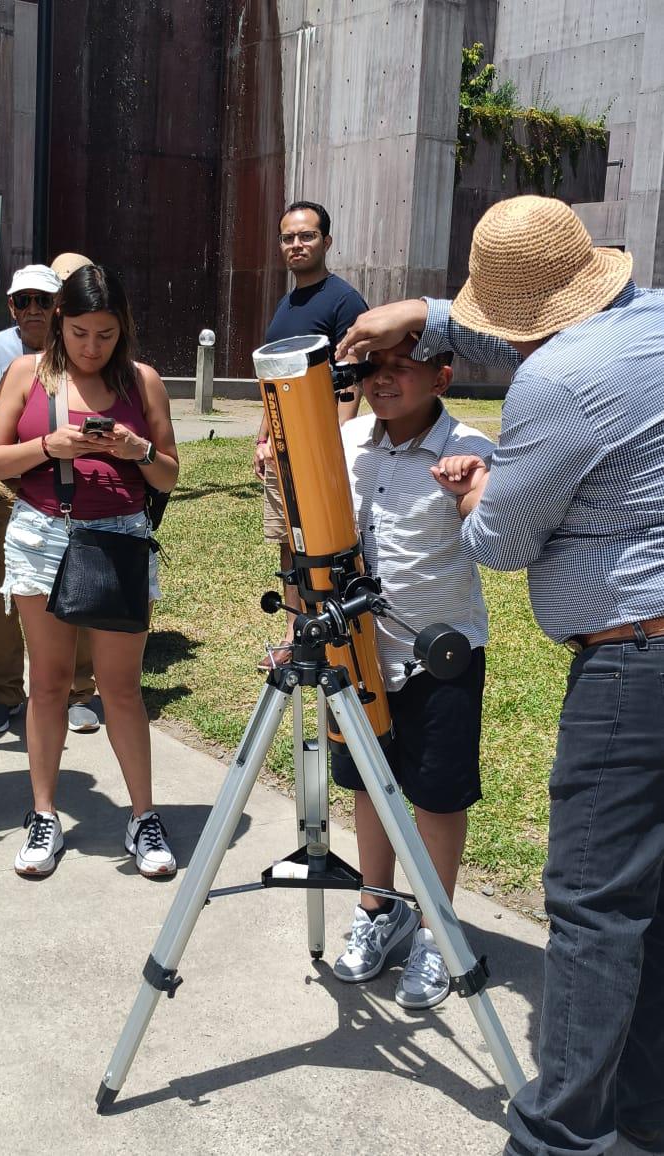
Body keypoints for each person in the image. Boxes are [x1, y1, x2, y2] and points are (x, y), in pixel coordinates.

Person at [338, 194, 664, 1156]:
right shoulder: (648, 320)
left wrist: (480, 491)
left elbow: (505, 542)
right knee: (648, 903)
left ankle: (553, 1137)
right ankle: (644, 1110)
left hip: (627, 663)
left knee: (593, 909)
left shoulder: (554, 383)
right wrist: (428, 318)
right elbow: (512, 328)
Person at [0, 264, 179, 880]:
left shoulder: (143, 382)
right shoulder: (26, 373)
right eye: (81, 333)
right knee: (49, 680)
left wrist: (136, 449)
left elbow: (170, 475)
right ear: (59, 323)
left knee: (119, 687)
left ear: (124, 331)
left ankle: (143, 816)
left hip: (119, 536)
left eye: (107, 334)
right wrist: (49, 448)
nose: (93, 347)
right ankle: (43, 813)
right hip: (41, 532)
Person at [329, 338, 493, 1009]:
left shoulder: (469, 445)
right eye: (372, 369)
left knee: (436, 794)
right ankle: (377, 908)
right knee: (371, 782)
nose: (383, 380)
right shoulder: (345, 442)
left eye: (402, 367)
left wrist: (471, 490)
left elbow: (491, 525)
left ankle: (434, 924)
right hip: (358, 651)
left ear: (441, 375)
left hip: (439, 655)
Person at [0, 261, 101, 735]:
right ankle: (3, 693)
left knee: (76, 596)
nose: (34, 310)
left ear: (60, 306)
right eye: (24, 301)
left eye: (45, 300)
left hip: (70, 499)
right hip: (5, 493)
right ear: (12, 304)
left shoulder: (84, 350)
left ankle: (79, 691)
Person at [253, 200, 368, 669]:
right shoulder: (286, 306)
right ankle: (295, 629)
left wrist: (335, 447)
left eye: (306, 236)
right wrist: (263, 437)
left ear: (327, 242)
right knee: (289, 539)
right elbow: (272, 380)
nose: (296, 245)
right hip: (283, 447)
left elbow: (351, 379)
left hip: (320, 450)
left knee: (328, 541)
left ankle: (337, 628)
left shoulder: (344, 301)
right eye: (288, 237)